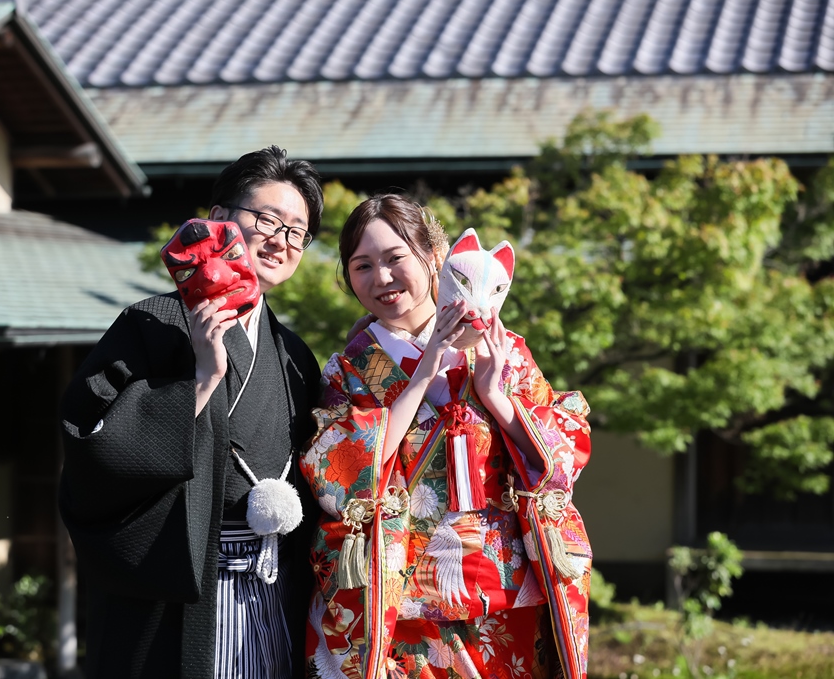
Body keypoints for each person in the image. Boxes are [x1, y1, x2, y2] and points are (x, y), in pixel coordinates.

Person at [301, 194, 593, 679]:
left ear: (435, 256)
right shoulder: (350, 370)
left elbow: (562, 454)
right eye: (362, 266)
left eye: (395, 258)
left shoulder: (501, 349)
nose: (382, 277)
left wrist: (495, 395)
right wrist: (421, 377)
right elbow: (340, 475)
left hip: (509, 590)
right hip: (403, 598)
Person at [59, 146, 323, 679]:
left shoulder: (294, 354)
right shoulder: (150, 324)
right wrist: (201, 380)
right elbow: (90, 442)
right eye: (267, 220)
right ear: (219, 218)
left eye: (297, 232)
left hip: (273, 584)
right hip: (182, 588)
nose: (281, 240)